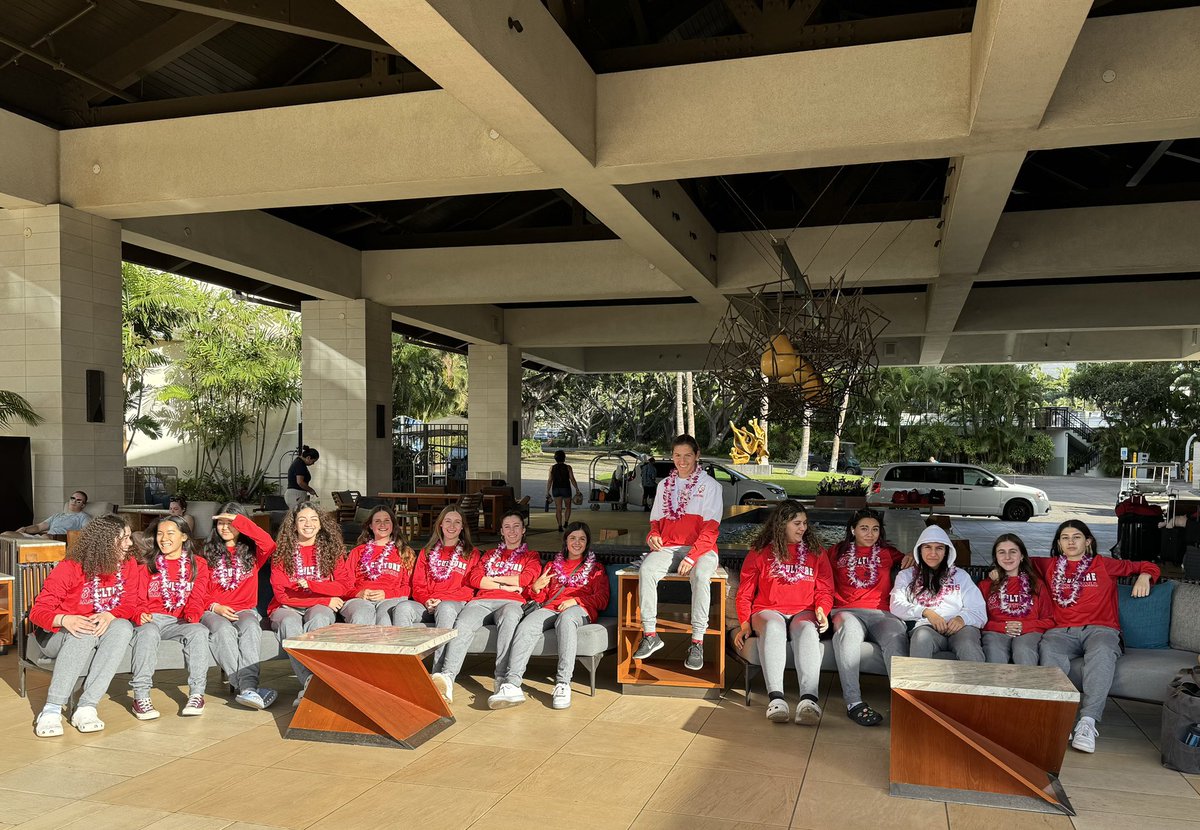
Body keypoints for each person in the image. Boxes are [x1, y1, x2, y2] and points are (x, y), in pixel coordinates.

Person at [1037, 519, 1159, 753]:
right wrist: (995, 571)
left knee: (1102, 652)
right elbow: (1013, 560)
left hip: (1100, 629)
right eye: (1065, 538)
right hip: (1061, 632)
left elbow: (1146, 564)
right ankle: (1059, 721)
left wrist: (1145, 576)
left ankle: (1087, 722)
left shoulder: (1103, 564)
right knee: (1048, 649)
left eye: (1076, 537)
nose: (1071, 542)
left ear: (1088, 541)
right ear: (1059, 544)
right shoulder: (1048, 565)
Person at [29, 515, 140, 737]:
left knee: (123, 628)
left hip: (100, 628)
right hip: (56, 634)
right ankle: (51, 709)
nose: (130, 543)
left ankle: (87, 706)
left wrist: (111, 614)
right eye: (124, 538)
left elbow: (130, 603)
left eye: (129, 537)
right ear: (105, 542)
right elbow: (37, 612)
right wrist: (65, 619)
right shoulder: (71, 567)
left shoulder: (128, 565)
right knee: (85, 633)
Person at [733, 501, 832, 725]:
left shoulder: (817, 553)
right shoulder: (760, 553)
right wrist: (744, 624)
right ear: (781, 524)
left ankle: (809, 701)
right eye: (797, 523)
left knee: (807, 629)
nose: (802, 528)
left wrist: (821, 610)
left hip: (803, 611)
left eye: (805, 523)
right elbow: (745, 593)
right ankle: (776, 700)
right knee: (774, 627)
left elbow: (825, 589)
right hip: (768, 610)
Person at [431, 510, 541, 706]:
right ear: (501, 531)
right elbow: (474, 579)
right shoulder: (490, 555)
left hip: (512, 602)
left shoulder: (531, 556)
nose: (512, 530)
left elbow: (525, 579)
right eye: (507, 527)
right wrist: (503, 584)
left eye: (516, 526)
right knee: (462, 624)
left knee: (510, 619)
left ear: (523, 530)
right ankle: (447, 678)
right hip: (481, 601)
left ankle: (503, 682)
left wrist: (490, 579)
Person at [633, 435, 723, 671]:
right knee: (648, 569)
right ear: (672, 456)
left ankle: (697, 642)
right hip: (670, 547)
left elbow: (711, 530)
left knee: (702, 576)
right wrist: (652, 535)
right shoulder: (664, 486)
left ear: (697, 455)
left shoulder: (711, 486)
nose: (682, 461)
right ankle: (650, 634)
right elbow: (655, 523)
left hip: (702, 549)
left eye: (687, 455)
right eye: (677, 455)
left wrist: (692, 556)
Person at [498, 521, 610, 710]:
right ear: (565, 540)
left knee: (566, 619)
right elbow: (541, 598)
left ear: (587, 542)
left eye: (582, 539)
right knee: (527, 624)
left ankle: (563, 684)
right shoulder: (552, 565)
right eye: (572, 538)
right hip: (551, 607)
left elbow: (602, 599)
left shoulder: (595, 568)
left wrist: (576, 601)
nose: (577, 542)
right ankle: (512, 684)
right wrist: (536, 587)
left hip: (578, 610)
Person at [827, 509, 908, 727]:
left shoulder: (888, 553)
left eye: (875, 529)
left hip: (882, 613)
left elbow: (919, 564)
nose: (870, 534)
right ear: (853, 530)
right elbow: (818, 576)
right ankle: (854, 703)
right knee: (849, 632)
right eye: (864, 528)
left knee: (895, 636)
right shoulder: (835, 552)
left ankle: (904, 703)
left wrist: (913, 557)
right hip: (846, 610)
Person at [129, 515, 212, 719]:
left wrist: (193, 613)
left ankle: (197, 694)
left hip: (180, 621)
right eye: (159, 534)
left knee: (199, 631)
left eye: (170, 533)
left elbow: (198, 595)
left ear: (184, 536)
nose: (164, 538)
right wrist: (139, 612)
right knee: (147, 633)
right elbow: (136, 597)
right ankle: (141, 697)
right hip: (152, 619)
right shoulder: (147, 564)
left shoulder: (198, 564)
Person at [268, 504, 351, 706]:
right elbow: (283, 594)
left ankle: (315, 685)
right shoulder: (282, 553)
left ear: (321, 524)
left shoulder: (332, 550)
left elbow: (344, 586)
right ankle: (312, 684)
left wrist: (312, 587)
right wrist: (323, 597)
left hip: (318, 607)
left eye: (314, 519)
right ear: (294, 525)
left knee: (320, 618)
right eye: (302, 520)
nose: (308, 524)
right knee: (290, 624)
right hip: (286, 608)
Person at [199, 503, 279, 710]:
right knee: (223, 630)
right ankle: (247, 688)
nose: (225, 528)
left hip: (244, 609)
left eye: (231, 523)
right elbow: (198, 590)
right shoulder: (206, 552)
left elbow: (268, 542)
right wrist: (215, 606)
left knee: (252, 627)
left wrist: (240, 521)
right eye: (221, 523)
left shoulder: (252, 553)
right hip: (212, 609)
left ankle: (247, 687)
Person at [891, 525, 986, 662]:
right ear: (919, 550)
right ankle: (920, 684)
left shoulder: (961, 576)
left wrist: (962, 618)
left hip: (961, 629)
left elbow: (978, 609)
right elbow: (896, 605)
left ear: (946, 551)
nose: (933, 553)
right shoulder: (906, 576)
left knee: (968, 645)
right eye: (927, 547)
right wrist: (927, 612)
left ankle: (976, 684)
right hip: (926, 627)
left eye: (939, 548)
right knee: (921, 638)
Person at [411, 506, 480, 675]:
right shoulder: (426, 552)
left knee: (446, 608)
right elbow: (417, 585)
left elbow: (469, 589)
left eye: (457, 522)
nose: (452, 526)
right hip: (426, 603)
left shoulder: (471, 553)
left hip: (454, 604)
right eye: (447, 521)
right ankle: (408, 669)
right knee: (403, 608)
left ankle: (439, 674)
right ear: (440, 525)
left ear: (463, 527)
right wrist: (427, 600)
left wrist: (441, 600)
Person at [340, 505, 423, 627]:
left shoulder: (405, 552)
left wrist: (387, 594)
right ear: (370, 526)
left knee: (385, 617)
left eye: (386, 521)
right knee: (361, 615)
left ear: (393, 525)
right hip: (359, 600)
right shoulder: (357, 552)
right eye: (377, 521)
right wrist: (358, 593)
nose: (382, 525)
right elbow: (345, 584)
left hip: (391, 598)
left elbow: (409, 588)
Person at [979, 534, 1053, 666]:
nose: (1007, 557)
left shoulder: (1037, 585)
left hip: (1029, 632)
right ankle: (997, 686)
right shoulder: (986, 585)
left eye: (1013, 552)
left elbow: (1050, 620)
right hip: (996, 632)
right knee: (994, 650)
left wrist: (1024, 626)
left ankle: (1026, 687)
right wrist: (1002, 627)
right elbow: (978, 619)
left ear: (1022, 556)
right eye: (1002, 552)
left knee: (1023, 650)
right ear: (996, 557)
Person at [17, 490, 91, 536]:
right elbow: (39, 527)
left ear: (83, 505)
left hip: (59, 540)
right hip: (45, 537)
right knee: (7, 534)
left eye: (78, 500)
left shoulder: (83, 517)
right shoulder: (57, 515)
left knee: (45, 537)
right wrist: (24, 529)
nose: (74, 501)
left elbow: (87, 533)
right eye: (73, 498)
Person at [545, 450, 580, 532]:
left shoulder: (552, 468)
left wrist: (547, 491)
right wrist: (577, 489)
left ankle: (559, 525)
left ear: (555, 458)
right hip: (566, 489)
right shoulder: (568, 467)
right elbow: (572, 479)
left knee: (558, 508)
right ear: (564, 458)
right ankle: (566, 522)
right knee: (568, 507)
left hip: (556, 489)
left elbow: (550, 480)